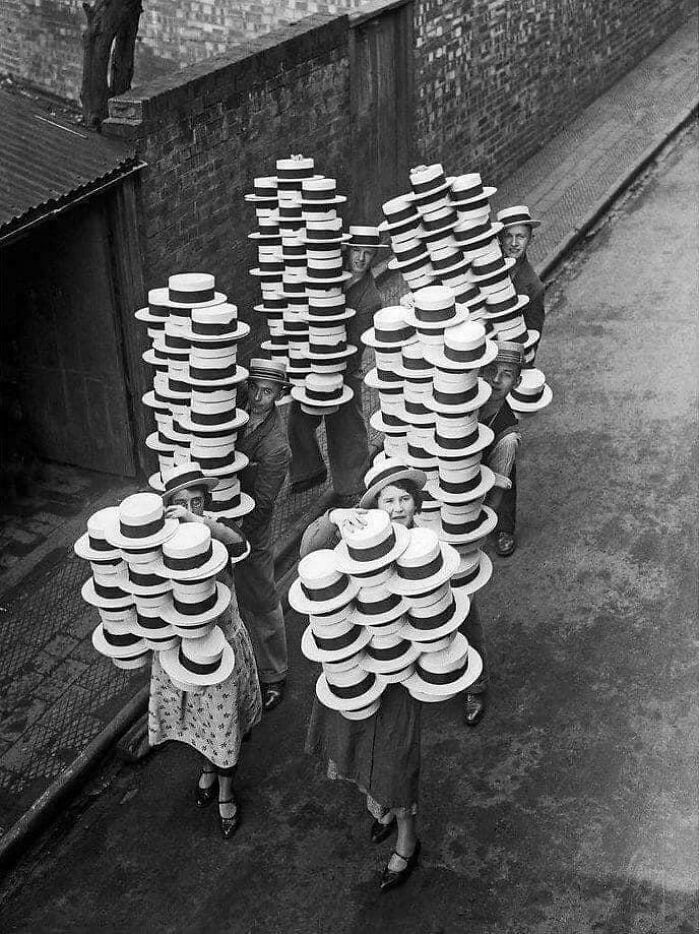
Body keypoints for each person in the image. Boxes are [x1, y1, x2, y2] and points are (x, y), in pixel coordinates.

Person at [149, 465, 262, 839]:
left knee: (224, 723)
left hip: (222, 650)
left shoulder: (216, 535)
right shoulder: (158, 546)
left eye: (196, 501)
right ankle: (208, 769)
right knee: (198, 720)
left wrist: (203, 523)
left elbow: (241, 546)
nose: (188, 509)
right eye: (179, 504)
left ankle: (226, 793)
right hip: (183, 653)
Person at [287, 226, 386, 505]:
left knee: (347, 427)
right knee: (299, 416)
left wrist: (337, 371)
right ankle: (308, 471)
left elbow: (355, 346)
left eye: (368, 254)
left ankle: (352, 484)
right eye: (357, 251)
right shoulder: (329, 272)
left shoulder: (370, 299)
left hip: (344, 364)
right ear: (348, 249)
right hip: (313, 358)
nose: (361, 259)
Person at [234, 358, 292, 712]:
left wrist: (237, 538)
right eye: (254, 387)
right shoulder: (238, 408)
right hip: (221, 514)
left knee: (262, 596)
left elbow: (265, 503)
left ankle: (275, 673)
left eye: (267, 392)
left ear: (279, 395)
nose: (257, 397)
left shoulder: (275, 445)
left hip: (252, 525)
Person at [479, 342, 523, 561]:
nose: (496, 379)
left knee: (503, 493)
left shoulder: (508, 435)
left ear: (517, 382)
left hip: (496, 470)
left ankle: (504, 529)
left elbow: (497, 491)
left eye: (506, 374)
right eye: (491, 371)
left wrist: (475, 525)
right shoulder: (469, 400)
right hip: (468, 464)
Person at [497, 205, 545, 347]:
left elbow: (532, 337)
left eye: (520, 237)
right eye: (508, 236)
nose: (514, 243)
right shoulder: (489, 266)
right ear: (499, 238)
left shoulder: (534, 288)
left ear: (531, 239)